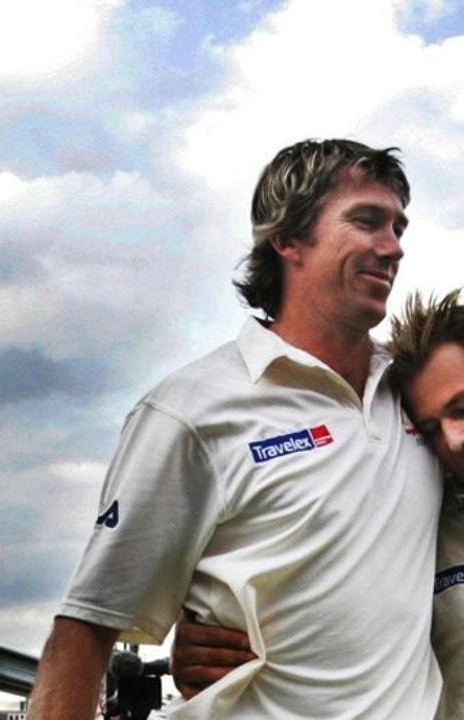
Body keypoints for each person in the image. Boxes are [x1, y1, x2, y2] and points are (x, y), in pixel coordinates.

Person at [27, 139, 442, 719]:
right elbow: (88, 626)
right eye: (366, 221)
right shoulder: (192, 409)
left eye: (398, 227)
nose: (392, 247)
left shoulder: (422, 393)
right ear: (288, 238)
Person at [170, 288, 464, 718]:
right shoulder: (426, 518)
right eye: (430, 428)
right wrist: (210, 630)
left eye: (461, 407)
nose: (453, 439)